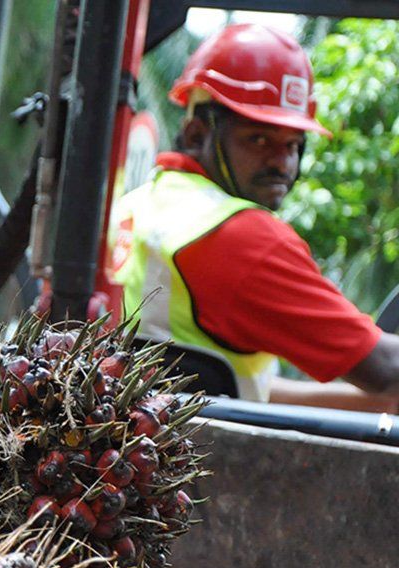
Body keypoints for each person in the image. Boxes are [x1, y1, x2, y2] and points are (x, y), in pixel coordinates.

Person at [109, 23, 399, 410]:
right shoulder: (241, 237)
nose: (282, 163)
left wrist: (383, 404)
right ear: (197, 134)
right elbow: (387, 368)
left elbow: (216, 384)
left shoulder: (136, 207)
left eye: (293, 145)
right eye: (259, 139)